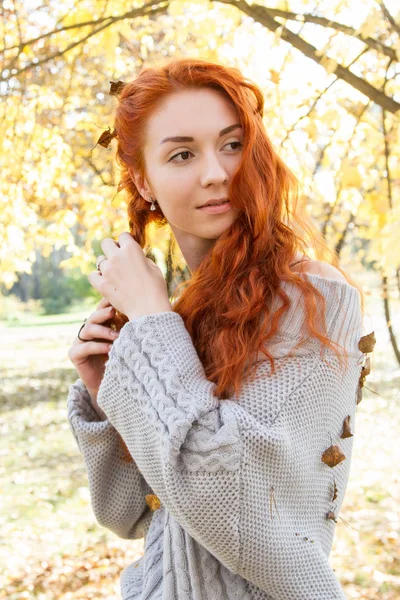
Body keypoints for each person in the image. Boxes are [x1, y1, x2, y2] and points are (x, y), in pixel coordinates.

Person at [67, 58, 366, 600]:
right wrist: (102, 390)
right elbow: (131, 513)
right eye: (183, 154)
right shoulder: (178, 320)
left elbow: (235, 505)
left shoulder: (315, 298)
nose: (216, 172)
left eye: (232, 145)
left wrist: (153, 323)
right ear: (144, 181)